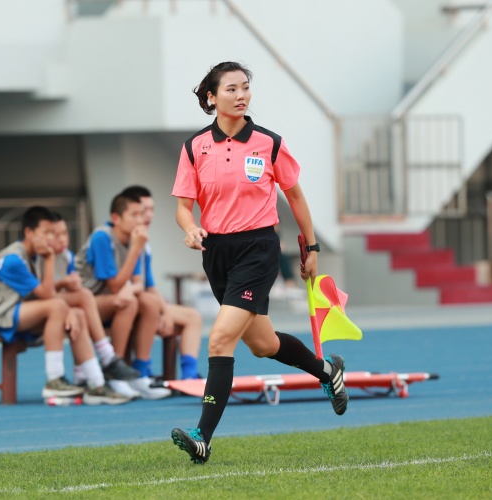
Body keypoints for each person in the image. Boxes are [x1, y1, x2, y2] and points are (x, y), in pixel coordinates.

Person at [169, 61, 348, 464]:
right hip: (217, 253)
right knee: (263, 344)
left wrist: (313, 248)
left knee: (220, 340)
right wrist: (190, 228)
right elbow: (183, 207)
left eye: (245, 87)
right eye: (231, 89)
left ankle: (203, 437)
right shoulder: (194, 147)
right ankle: (327, 371)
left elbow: (296, 197)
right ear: (211, 97)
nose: (241, 95)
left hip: (258, 249)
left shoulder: (268, 143)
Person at [0, 206, 127, 405]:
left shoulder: (45, 254)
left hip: (25, 312)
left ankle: (97, 383)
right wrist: (51, 260)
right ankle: (54, 379)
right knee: (57, 307)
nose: (52, 239)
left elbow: (50, 296)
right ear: (29, 232)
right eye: (46, 233)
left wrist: (70, 310)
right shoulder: (13, 259)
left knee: (79, 310)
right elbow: (47, 295)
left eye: (55, 233)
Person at [74, 194, 172, 399]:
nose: (140, 220)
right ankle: (115, 372)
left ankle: (141, 372)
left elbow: (138, 283)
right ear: (116, 218)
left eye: (142, 214)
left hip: (112, 300)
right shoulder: (103, 237)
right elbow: (115, 284)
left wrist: (130, 289)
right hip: (85, 303)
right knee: (130, 302)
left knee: (149, 301)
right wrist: (136, 249)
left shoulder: (136, 240)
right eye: (134, 215)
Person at [36, 213, 140, 397]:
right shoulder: (102, 238)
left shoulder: (67, 256)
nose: (62, 239)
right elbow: (42, 295)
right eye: (54, 233)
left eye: (64, 233)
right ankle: (106, 358)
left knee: (80, 312)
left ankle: (92, 381)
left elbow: (142, 284)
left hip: (64, 307)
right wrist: (63, 288)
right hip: (29, 313)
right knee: (83, 297)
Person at [119, 185, 203, 380]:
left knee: (192, 317)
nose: (147, 216)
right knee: (151, 304)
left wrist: (163, 310)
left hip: (144, 301)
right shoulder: (112, 238)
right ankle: (141, 372)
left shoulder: (143, 243)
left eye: (151, 210)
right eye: (141, 211)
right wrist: (159, 309)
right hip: (124, 304)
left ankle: (189, 376)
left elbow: (148, 284)